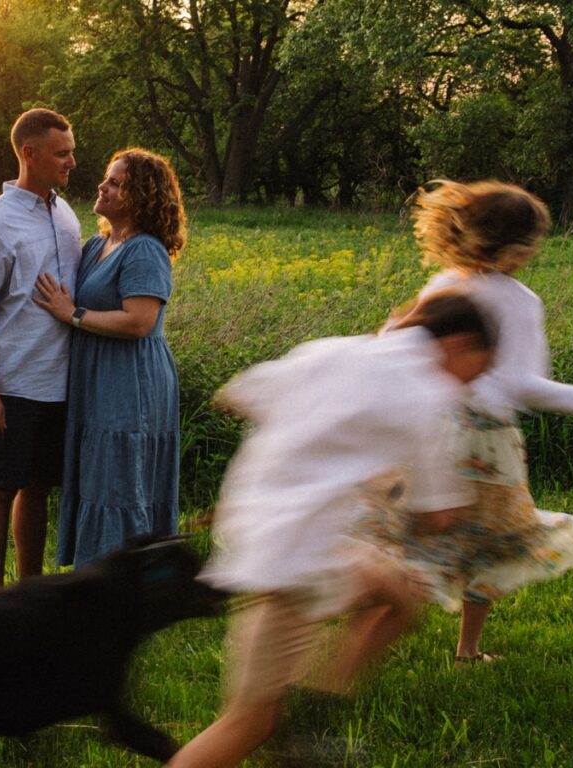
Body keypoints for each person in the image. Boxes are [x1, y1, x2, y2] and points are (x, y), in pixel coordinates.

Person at [166, 291, 498, 768]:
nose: (470, 384)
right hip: (294, 560)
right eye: (478, 369)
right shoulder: (427, 396)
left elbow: (239, 395)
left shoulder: (332, 350)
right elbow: (435, 516)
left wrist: (310, 445)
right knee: (247, 721)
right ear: (460, 344)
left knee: (402, 595)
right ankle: (297, 718)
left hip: (277, 534)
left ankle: (318, 700)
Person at [373, 179, 573, 665]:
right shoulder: (520, 301)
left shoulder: (444, 283)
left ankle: (371, 626)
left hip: (429, 429)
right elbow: (524, 386)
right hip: (485, 443)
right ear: (522, 246)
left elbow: (397, 343)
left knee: (416, 535)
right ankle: (467, 649)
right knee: (494, 544)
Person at [33, 147, 186, 568]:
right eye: (107, 176)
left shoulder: (145, 250)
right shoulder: (98, 243)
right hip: (97, 375)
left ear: (141, 196)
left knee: (121, 478)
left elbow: (139, 321)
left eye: (115, 182)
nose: (102, 185)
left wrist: (73, 314)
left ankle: (126, 581)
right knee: (101, 474)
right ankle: (98, 577)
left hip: (130, 378)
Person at [0, 108, 81, 591]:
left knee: (38, 489)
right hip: (13, 384)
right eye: (62, 153)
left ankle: (30, 591)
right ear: (30, 154)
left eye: (72, 151)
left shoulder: (65, 212)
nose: (72, 161)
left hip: (62, 381)